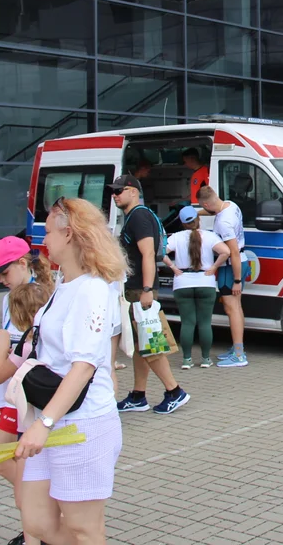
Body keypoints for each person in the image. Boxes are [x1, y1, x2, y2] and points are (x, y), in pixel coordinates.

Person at [17, 197, 127, 545]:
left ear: (70, 234)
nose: (43, 240)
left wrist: (43, 424)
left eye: (48, 232)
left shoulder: (92, 290)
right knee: (36, 521)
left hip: (83, 425)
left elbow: (82, 368)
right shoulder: (65, 285)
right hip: (52, 419)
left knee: (84, 528)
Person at [0, 237, 55, 545]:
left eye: (4, 272)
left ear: (22, 264)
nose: (1, 280)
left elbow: (22, 354)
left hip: (24, 397)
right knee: (13, 465)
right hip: (12, 393)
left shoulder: (45, 297)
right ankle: (36, 523)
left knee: (5, 461)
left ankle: (39, 524)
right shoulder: (12, 296)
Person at [110, 175, 189, 414]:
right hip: (136, 289)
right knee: (141, 345)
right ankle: (138, 395)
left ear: (133, 191)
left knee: (152, 344)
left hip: (140, 291)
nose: (114, 195)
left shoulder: (140, 217)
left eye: (119, 191)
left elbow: (147, 254)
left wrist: (146, 289)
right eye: (113, 191)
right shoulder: (137, 216)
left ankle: (175, 391)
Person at [164, 206, 229, 369]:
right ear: (198, 220)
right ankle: (206, 359)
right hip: (205, 282)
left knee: (187, 323)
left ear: (182, 223)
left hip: (182, 282)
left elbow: (159, 252)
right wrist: (213, 268)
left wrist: (173, 267)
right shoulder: (210, 236)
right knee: (205, 323)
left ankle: (187, 360)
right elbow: (226, 252)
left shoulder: (176, 237)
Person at [198, 185, 254, 365]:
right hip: (240, 262)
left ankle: (238, 355)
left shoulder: (224, 222)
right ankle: (238, 347)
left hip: (232, 266)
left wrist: (237, 280)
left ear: (207, 203)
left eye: (202, 206)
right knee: (236, 307)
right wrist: (197, 213)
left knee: (232, 308)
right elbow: (212, 211)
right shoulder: (230, 205)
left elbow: (233, 252)